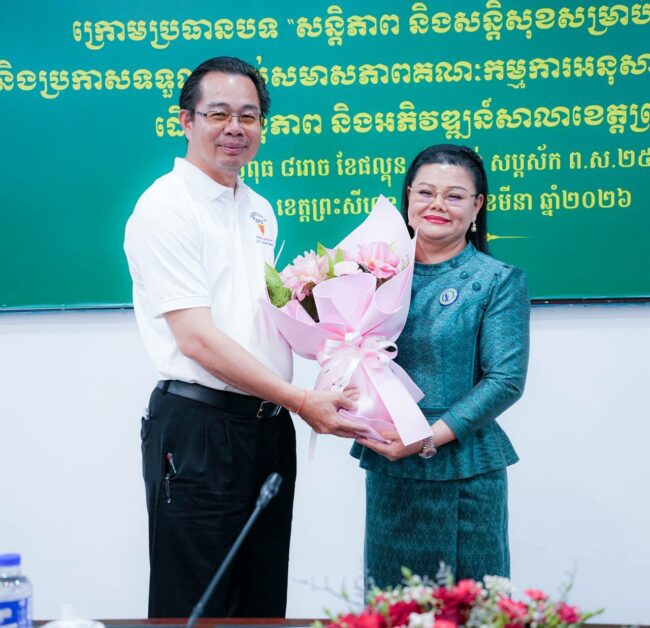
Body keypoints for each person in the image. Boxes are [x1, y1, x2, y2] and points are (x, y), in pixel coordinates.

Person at [124, 56, 361, 619]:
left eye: (249, 116)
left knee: (261, 604)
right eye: (219, 114)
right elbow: (198, 340)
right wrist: (301, 399)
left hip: (267, 429)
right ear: (186, 121)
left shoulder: (259, 210)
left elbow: (254, 321)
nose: (235, 128)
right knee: (199, 606)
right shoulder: (165, 207)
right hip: (201, 430)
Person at [353, 143, 530, 588]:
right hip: (391, 464)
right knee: (391, 604)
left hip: (463, 468)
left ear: (477, 207)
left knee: (468, 608)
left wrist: (427, 437)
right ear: (408, 197)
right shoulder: (370, 276)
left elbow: (506, 380)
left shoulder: (497, 280)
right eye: (426, 192)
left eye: (454, 196)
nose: (437, 205)